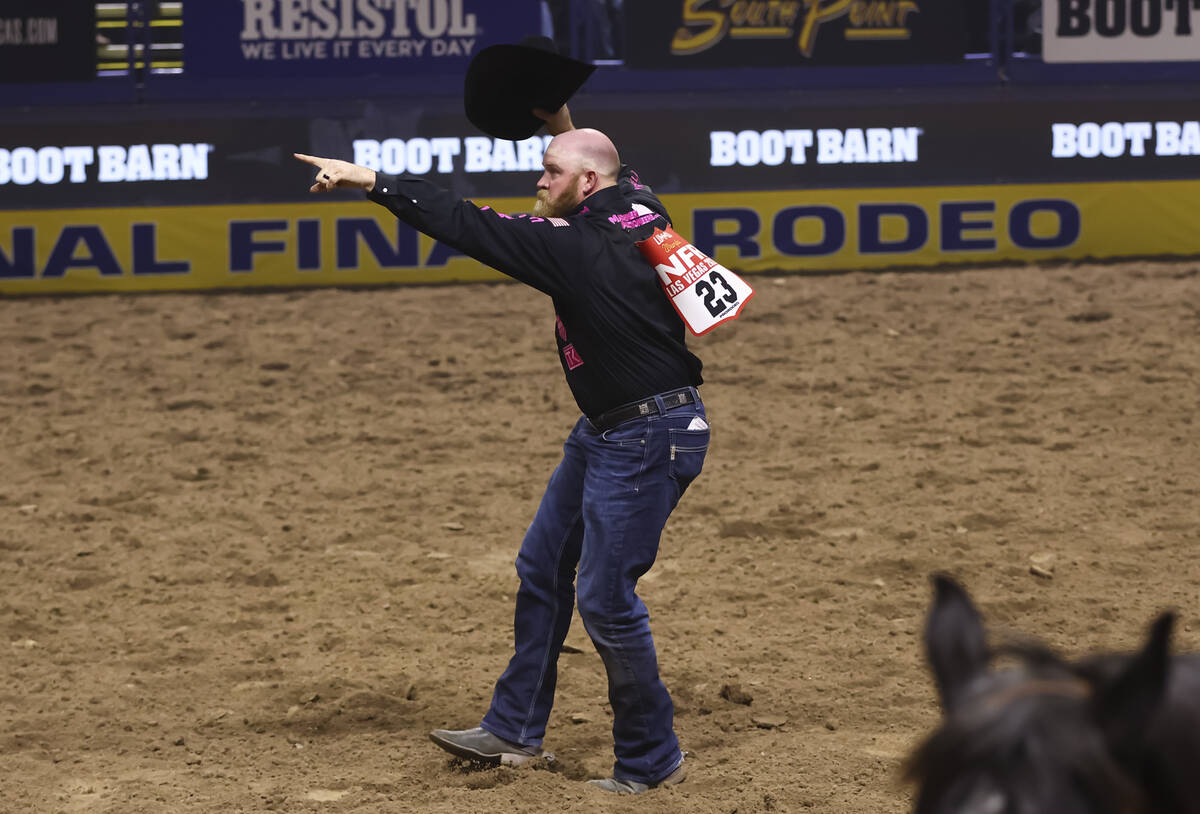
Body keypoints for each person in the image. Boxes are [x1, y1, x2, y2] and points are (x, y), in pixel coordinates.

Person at [293, 104, 708, 795]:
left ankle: (651, 757)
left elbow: (463, 222)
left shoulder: (567, 248)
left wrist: (368, 179)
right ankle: (514, 730)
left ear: (584, 183)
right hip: (619, 427)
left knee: (604, 599)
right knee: (544, 565)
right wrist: (561, 122)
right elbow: (592, 158)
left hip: (645, 436)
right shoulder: (639, 206)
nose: (539, 179)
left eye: (551, 171)